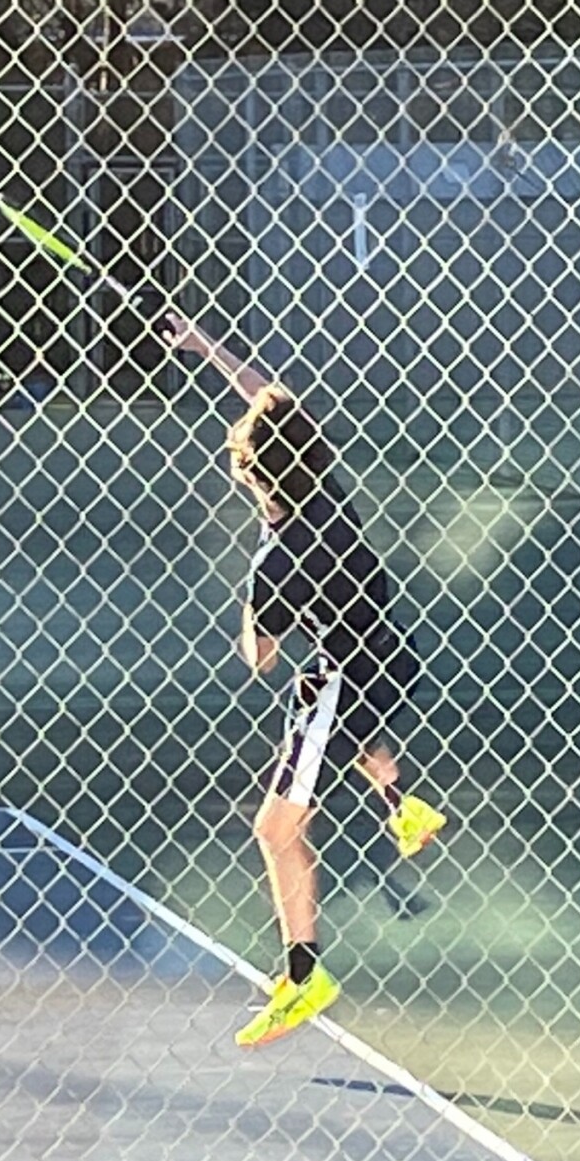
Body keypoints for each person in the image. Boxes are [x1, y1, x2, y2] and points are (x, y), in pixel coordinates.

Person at [163, 313, 447, 1047]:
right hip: (390, 652)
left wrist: (253, 593)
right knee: (335, 717)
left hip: (345, 680)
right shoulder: (326, 487)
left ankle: (302, 974)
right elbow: (268, 397)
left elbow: (258, 659)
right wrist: (205, 345)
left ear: (252, 476)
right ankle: (404, 805)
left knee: (275, 829)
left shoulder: (278, 563)